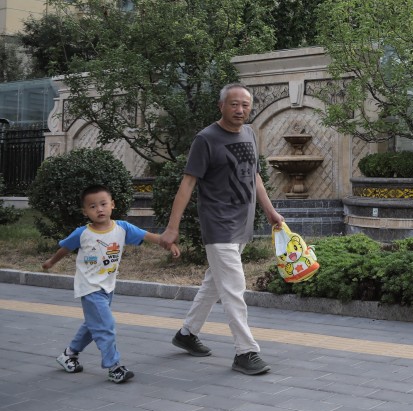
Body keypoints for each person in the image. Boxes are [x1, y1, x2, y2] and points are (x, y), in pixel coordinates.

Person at [161, 83, 284, 375]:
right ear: (221, 106)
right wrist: (172, 227)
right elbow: (188, 183)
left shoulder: (249, 133)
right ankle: (246, 351)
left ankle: (187, 334)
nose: (240, 110)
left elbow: (254, 175)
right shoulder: (206, 139)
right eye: (234, 104)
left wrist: (270, 211)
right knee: (233, 288)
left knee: (215, 283)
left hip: (242, 222)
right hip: (218, 224)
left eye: (245, 105)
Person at [42, 184, 180, 383]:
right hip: (89, 287)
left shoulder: (122, 228)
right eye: (92, 206)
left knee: (93, 324)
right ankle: (114, 367)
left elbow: (149, 236)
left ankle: (69, 354)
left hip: (107, 286)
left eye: (103, 204)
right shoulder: (82, 233)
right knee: (105, 326)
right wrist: (51, 262)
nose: (99, 209)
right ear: (85, 211)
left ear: (112, 205)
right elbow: (65, 248)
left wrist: (168, 244)